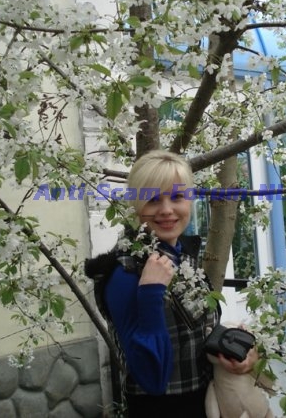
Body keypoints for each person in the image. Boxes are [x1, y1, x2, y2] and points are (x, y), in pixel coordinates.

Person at [98, 150, 258, 417]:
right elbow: (151, 380)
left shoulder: (183, 257)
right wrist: (150, 292)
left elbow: (197, 335)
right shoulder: (124, 273)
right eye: (152, 199)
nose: (166, 210)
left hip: (208, 403)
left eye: (177, 197)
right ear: (136, 204)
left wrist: (240, 356)